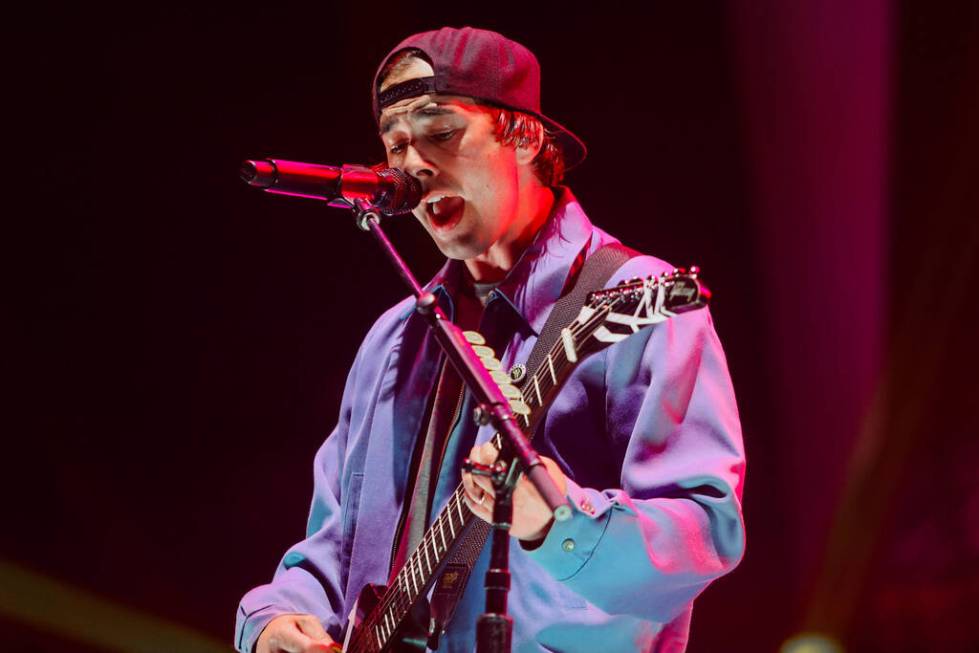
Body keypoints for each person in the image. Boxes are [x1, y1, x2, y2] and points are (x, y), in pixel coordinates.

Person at [236, 26, 745, 653]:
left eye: (441, 133)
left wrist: (556, 523)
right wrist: (274, 620)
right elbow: (334, 547)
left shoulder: (639, 298)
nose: (411, 167)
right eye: (394, 147)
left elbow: (705, 531)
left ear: (525, 136)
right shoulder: (394, 339)